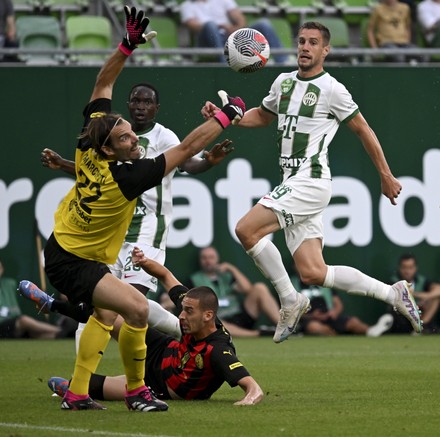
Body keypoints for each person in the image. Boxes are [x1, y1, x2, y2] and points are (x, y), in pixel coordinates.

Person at [23, 4, 246, 412]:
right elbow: (188, 148)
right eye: (126, 139)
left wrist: (126, 45)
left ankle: (76, 393)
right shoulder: (127, 177)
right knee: (138, 309)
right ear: (111, 149)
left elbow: (102, 79)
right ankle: (138, 392)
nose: (134, 139)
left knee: (107, 315)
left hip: (67, 250)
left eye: (130, 130)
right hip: (76, 259)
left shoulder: (89, 144)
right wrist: (229, 114)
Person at [200, 21, 422, 344]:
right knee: (313, 272)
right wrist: (227, 116)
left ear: (325, 50)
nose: (305, 47)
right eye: (301, 41)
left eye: (313, 42)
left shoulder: (332, 88)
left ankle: (290, 300)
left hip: (311, 181)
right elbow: (262, 116)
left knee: (246, 230)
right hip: (294, 182)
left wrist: (385, 175)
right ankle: (393, 294)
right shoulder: (283, 82)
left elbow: (364, 130)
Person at [39, 83, 234, 346]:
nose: (141, 107)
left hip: (147, 230)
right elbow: (97, 177)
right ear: (128, 104)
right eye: (136, 101)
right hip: (113, 233)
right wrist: (64, 164)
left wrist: (208, 161)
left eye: (147, 102)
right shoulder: (112, 136)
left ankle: (154, 358)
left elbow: (186, 161)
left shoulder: (163, 137)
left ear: (156, 108)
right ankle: (84, 382)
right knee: (104, 306)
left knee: (130, 303)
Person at [47, 248, 264, 405]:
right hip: (164, 348)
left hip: (160, 386)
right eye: (184, 308)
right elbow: (166, 276)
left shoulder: (218, 351)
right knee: (107, 312)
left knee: (89, 386)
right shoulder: (198, 311)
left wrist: (249, 399)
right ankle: (55, 305)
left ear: (208, 315)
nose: (181, 315)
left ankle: (72, 386)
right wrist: (145, 262)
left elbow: (254, 388)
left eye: (189, 311)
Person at [187, 246, 280, 337]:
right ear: (200, 260)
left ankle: (282, 326)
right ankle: (258, 334)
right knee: (212, 321)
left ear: (217, 259)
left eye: (211, 257)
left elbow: (247, 289)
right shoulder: (194, 280)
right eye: (204, 258)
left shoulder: (226, 276)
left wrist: (231, 268)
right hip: (219, 320)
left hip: (238, 315)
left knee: (260, 288)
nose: (208, 261)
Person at [180, 0, 288, 64]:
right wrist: (218, 26)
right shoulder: (187, 5)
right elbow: (193, 26)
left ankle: (283, 61)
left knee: (263, 24)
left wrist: (234, 28)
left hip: (228, 35)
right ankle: (225, 64)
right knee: (210, 26)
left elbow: (241, 19)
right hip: (206, 40)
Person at [290, 271, 393, 337]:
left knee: (354, 322)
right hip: (311, 319)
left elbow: (338, 304)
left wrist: (333, 312)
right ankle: (334, 334)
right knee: (314, 327)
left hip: (330, 317)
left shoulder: (323, 282)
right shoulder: (292, 284)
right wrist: (312, 316)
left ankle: (371, 331)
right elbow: (291, 309)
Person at [0, 260, 61, 339]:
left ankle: (65, 334)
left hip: (14, 323)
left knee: (36, 334)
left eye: (0, 268)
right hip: (3, 326)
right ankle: (59, 330)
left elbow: (26, 289)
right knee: (24, 320)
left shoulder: (9, 283)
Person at [389, 253, 440, 333]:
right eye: (404, 267)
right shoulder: (393, 281)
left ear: (415, 268)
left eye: (410, 267)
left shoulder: (421, 280)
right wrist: (415, 305)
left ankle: (421, 328)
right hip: (401, 318)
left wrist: (425, 296)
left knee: (435, 299)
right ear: (399, 268)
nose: (407, 271)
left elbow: (438, 289)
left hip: (420, 314)